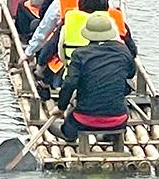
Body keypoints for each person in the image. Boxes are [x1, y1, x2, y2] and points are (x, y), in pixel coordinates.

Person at [50, 12, 137, 143]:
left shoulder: (80, 55)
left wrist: (61, 107)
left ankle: (69, 134)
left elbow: (69, 84)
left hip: (84, 119)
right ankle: (109, 135)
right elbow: (131, 73)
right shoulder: (124, 52)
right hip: (118, 118)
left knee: (66, 126)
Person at [24, 0, 109, 64]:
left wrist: (29, 54)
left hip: (66, 63)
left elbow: (45, 32)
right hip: (107, 62)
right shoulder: (112, 11)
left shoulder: (65, 6)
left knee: (36, 25)